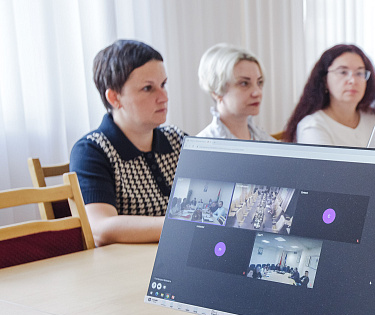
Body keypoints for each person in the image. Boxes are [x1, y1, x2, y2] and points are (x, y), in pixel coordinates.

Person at [71, 40, 184, 246]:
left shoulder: (178, 139)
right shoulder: (91, 150)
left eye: (163, 84)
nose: (164, 97)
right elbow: (100, 228)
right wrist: (180, 225)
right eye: (148, 88)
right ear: (114, 98)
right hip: (130, 263)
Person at [283, 44, 375, 147]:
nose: (352, 80)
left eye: (359, 73)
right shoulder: (313, 127)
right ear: (325, 80)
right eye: (343, 72)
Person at [196, 43, 273, 141]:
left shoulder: (267, 141)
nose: (257, 93)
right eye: (244, 83)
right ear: (216, 92)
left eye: (259, 82)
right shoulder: (202, 146)